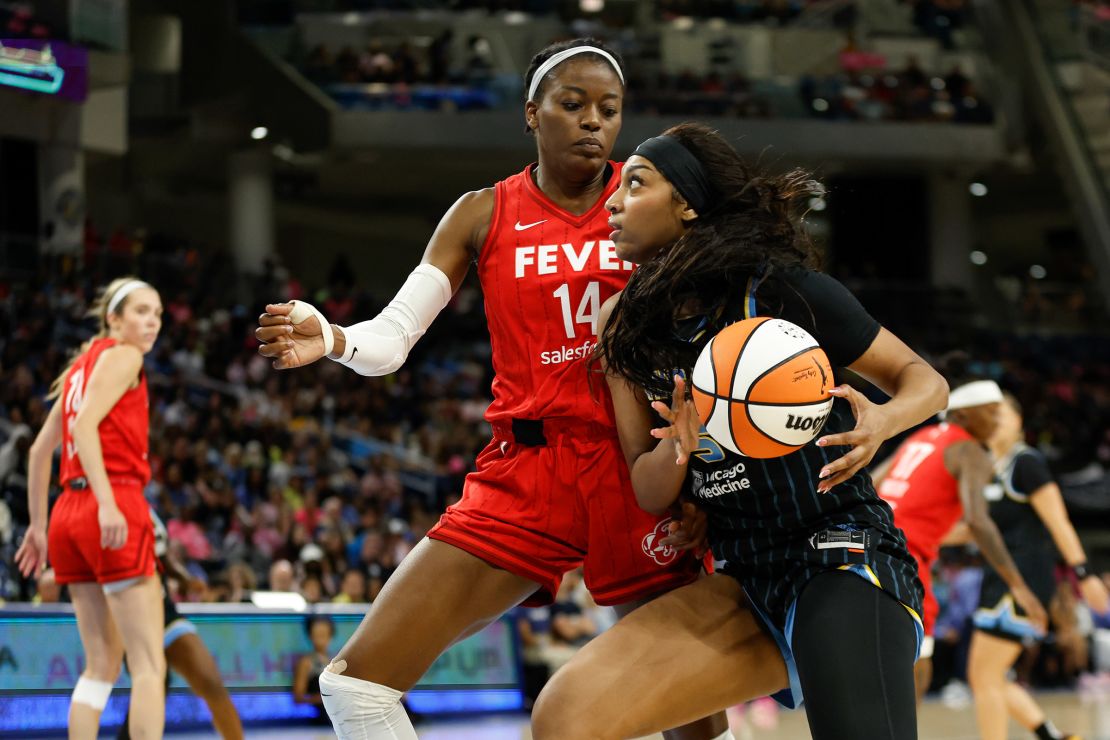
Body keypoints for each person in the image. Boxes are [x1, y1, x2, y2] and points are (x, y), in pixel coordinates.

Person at [255, 39, 729, 740]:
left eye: (610, 109)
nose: (593, 122)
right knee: (354, 685)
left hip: (640, 466)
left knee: (690, 717)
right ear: (532, 114)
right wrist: (334, 339)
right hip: (528, 469)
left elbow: (717, 348)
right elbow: (392, 340)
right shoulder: (482, 213)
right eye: (572, 105)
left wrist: (706, 479)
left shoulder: (652, 204)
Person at [531, 121, 948, 740]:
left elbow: (924, 381)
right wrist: (677, 441)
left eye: (636, 184)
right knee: (566, 716)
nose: (613, 201)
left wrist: (882, 420)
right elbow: (649, 491)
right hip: (741, 573)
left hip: (835, 549)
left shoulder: (775, 288)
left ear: (689, 204)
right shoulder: (621, 322)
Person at [15, 277, 166, 740]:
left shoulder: (80, 368)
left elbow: (40, 453)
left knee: (100, 665)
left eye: (158, 314)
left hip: (66, 514)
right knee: (147, 666)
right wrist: (107, 504)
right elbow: (83, 429)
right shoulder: (125, 356)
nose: (152, 322)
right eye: (141, 311)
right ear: (114, 319)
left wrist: (39, 526)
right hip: (111, 499)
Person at [873, 373, 1049, 701]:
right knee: (917, 660)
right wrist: (1020, 587)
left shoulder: (923, 437)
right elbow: (979, 523)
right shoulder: (970, 451)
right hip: (904, 560)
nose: (998, 420)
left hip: (870, 545)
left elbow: (873, 484)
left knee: (881, 658)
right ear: (964, 415)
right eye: (992, 411)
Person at [965, 393, 1108, 740]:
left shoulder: (1026, 463)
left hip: (1024, 581)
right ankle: (1054, 737)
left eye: (1003, 413)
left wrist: (1084, 574)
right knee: (990, 677)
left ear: (1020, 422)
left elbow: (1058, 521)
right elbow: (973, 528)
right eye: (989, 413)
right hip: (1000, 578)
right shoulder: (990, 468)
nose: (995, 419)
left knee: (984, 677)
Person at [118, 507, 244, 740]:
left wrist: (185, 580)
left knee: (211, 683)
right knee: (152, 692)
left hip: (165, 614)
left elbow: (162, 558)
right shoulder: (103, 507)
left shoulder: (145, 508)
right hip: (129, 618)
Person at [293, 615, 337, 724]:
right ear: (310, 636)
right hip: (317, 719)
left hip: (335, 719)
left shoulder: (334, 660)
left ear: (330, 636)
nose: (321, 639)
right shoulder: (306, 663)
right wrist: (322, 699)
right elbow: (298, 697)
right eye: (317, 635)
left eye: (324, 635)